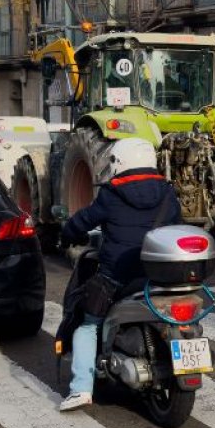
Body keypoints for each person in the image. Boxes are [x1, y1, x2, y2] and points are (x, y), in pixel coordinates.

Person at [58, 138, 182, 412]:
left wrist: (67, 235)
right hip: (160, 275)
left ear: (119, 163)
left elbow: (82, 221)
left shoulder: (112, 193)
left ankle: (80, 389)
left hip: (118, 276)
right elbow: (177, 225)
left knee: (87, 323)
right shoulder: (167, 192)